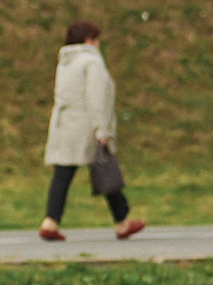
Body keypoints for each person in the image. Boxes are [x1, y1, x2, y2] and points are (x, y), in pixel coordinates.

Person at [40, 21, 143, 242]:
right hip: (86, 126)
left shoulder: (65, 61)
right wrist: (101, 129)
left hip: (64, 125)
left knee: (62, 175)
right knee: (106, 171)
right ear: (88, 40)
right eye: (96, 39)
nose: (98, 43)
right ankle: (122, 223)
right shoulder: (92, 62)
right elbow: (96, 98)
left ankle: (50, 222)